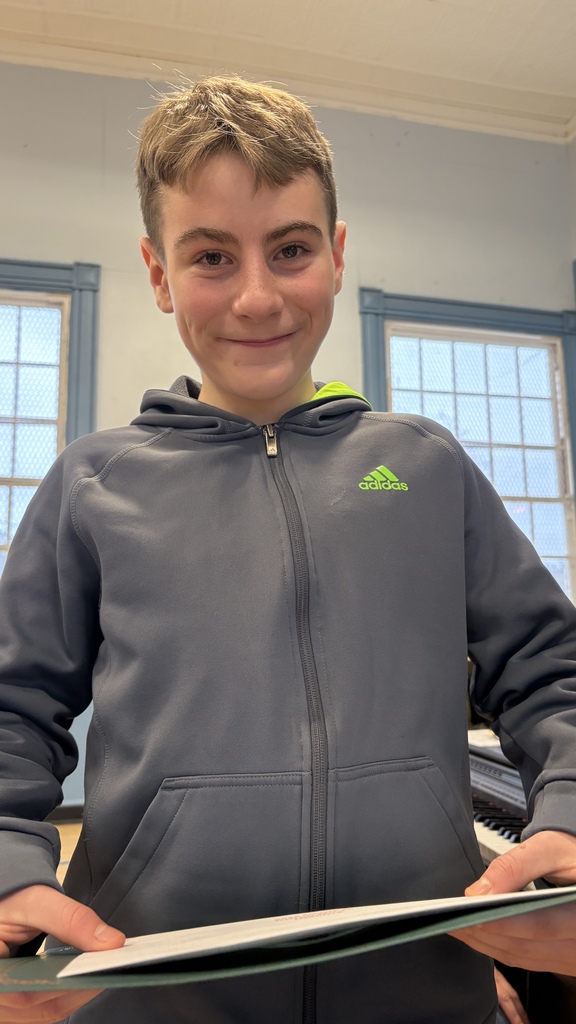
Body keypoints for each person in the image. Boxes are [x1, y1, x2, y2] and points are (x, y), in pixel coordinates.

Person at [0, 75, 576, 1024]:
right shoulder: (93, 485)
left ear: (337, 255)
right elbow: (15, 710)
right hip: (154, 1001)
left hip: (423, 994)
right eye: (212, 256)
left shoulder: (424, 468)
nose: (258, 295)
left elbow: (553, 670)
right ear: (156, 272)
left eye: (292, 249)